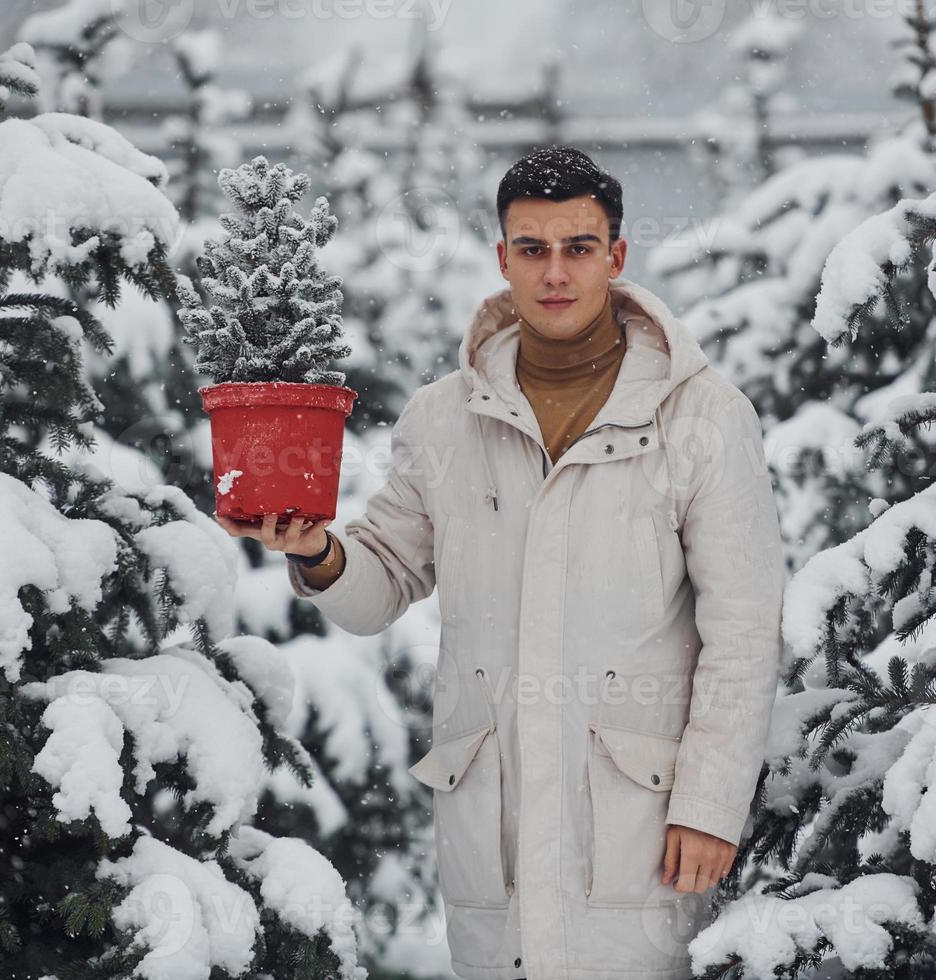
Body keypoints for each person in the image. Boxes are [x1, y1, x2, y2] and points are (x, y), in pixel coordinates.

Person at [218, 145, 786, 980]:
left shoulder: (701, 418)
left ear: (616, 257)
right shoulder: (444, 419)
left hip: (639, 828)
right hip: (494, 830)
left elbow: (742, 633)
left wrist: (708, 806)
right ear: (504, 259)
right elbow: (382, 584)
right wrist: (323, 554)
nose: (555, 272)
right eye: (533, 249)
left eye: (578, 248)